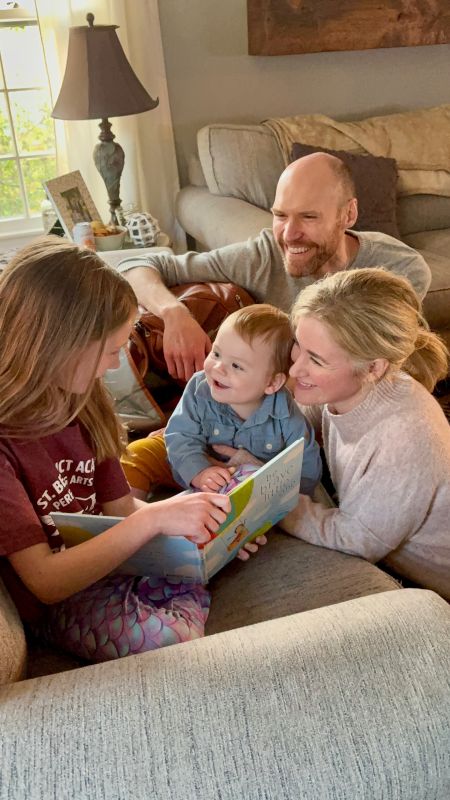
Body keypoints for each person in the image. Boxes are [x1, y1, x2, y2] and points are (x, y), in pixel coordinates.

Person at [0, 237, 233, 664]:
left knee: (208, 534)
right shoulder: (6, 445)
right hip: (63, 598)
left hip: (118, 561)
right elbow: (46, 582)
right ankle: (179, 590)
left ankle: (185, 575)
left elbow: (122, 511)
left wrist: (197, 518)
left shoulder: (85, 403)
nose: (114, 364)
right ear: (58, 343)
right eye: (110, 351)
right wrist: (157, 520)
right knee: (167, 639)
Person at [117, 152, 432, 382]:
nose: (289, 234)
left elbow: (377, 375)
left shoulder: (398, 270)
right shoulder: (264, 254)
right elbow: (138, 266)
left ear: (348, 215)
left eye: (309, 217)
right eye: (281, 215)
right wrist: (175, 314)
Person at [278, 267, 450, 600]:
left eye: (316, 359)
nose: (295, 368)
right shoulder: (348, 388)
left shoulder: (406, 435)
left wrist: (277, 505)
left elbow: (359, 539)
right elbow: (291, 423)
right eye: (299, 346)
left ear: (374, 367)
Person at [121, 304, 322, 499]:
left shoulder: (286, 416)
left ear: (271, 382)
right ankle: (127, 519)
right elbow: (180, 436)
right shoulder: (201, 386)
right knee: (137, 454)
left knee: (245, 505)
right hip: (188, 460)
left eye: (236, 365)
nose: (218, 367)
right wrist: (199, 471)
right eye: (216, 353)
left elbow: (306, 471)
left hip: (245, 482)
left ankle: (238, 526)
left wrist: (270, 492)